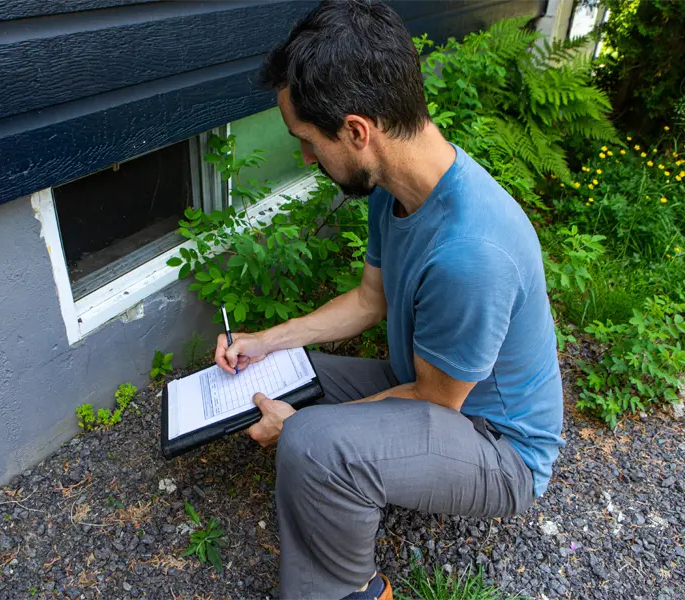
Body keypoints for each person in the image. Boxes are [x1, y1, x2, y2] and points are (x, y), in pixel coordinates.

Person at [213, 1, 564, 599]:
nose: (304, 157)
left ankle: (350, 592)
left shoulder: (471, 251)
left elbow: (437, 401)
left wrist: (306, 427)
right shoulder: (392, 187)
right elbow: (368, 301)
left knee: (312, 443)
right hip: (434, 390)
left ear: (356, 131)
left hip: (499, 450)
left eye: (306, 141)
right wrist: (263, 342)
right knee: (283, 371)